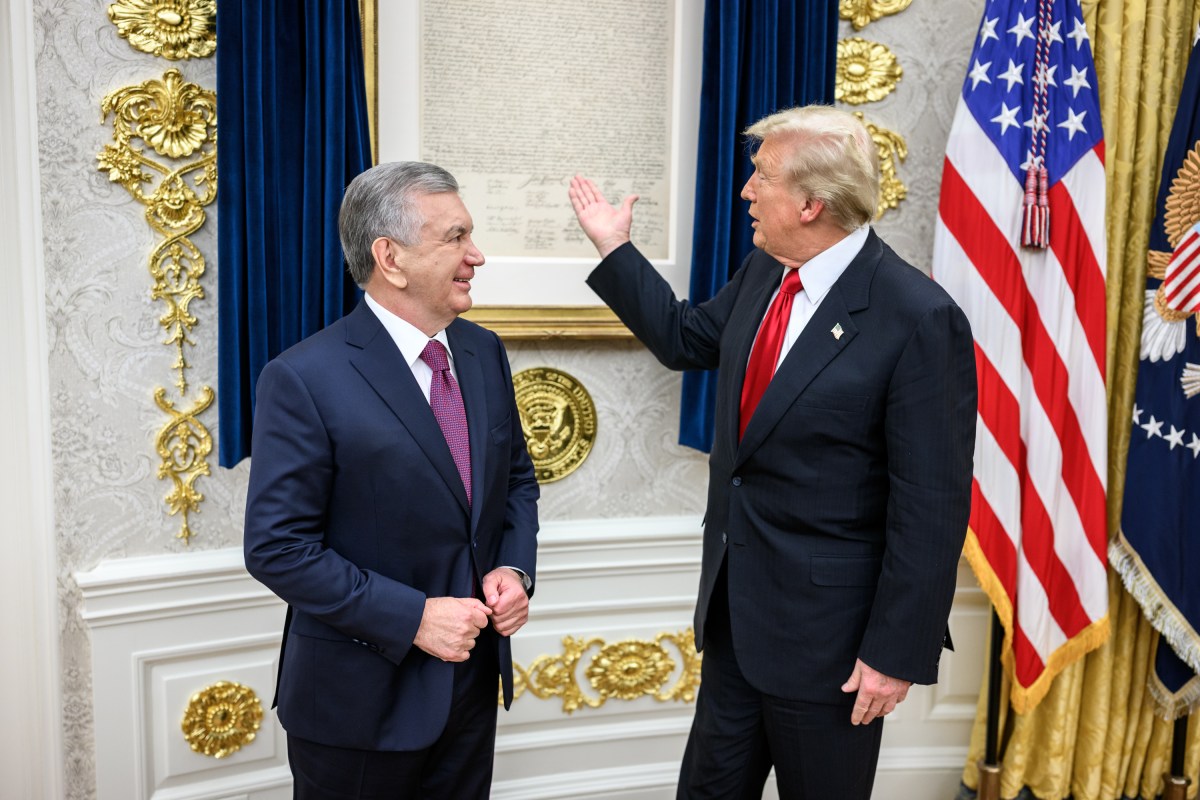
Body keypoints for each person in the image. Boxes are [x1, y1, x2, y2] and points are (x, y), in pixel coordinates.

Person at [569, 105, 976, 799]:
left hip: (834, 650)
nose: (746, 192)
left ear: (813, 203)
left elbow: (931, 507)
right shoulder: (767, 269)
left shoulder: (918, 317)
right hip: (736, 621)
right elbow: (686, 339)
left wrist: (893, 654)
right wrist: (615, 249)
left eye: (762, 177)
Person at [244, 161, 539, 799]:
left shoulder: (484, 352)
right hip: (358, 703)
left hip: (470, 687)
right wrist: (413, 618)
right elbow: (277, 548)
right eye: (456, 238)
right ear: (391, 257)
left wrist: (514, 571)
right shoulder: (304, 378)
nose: (476, 256)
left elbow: (516, 482)